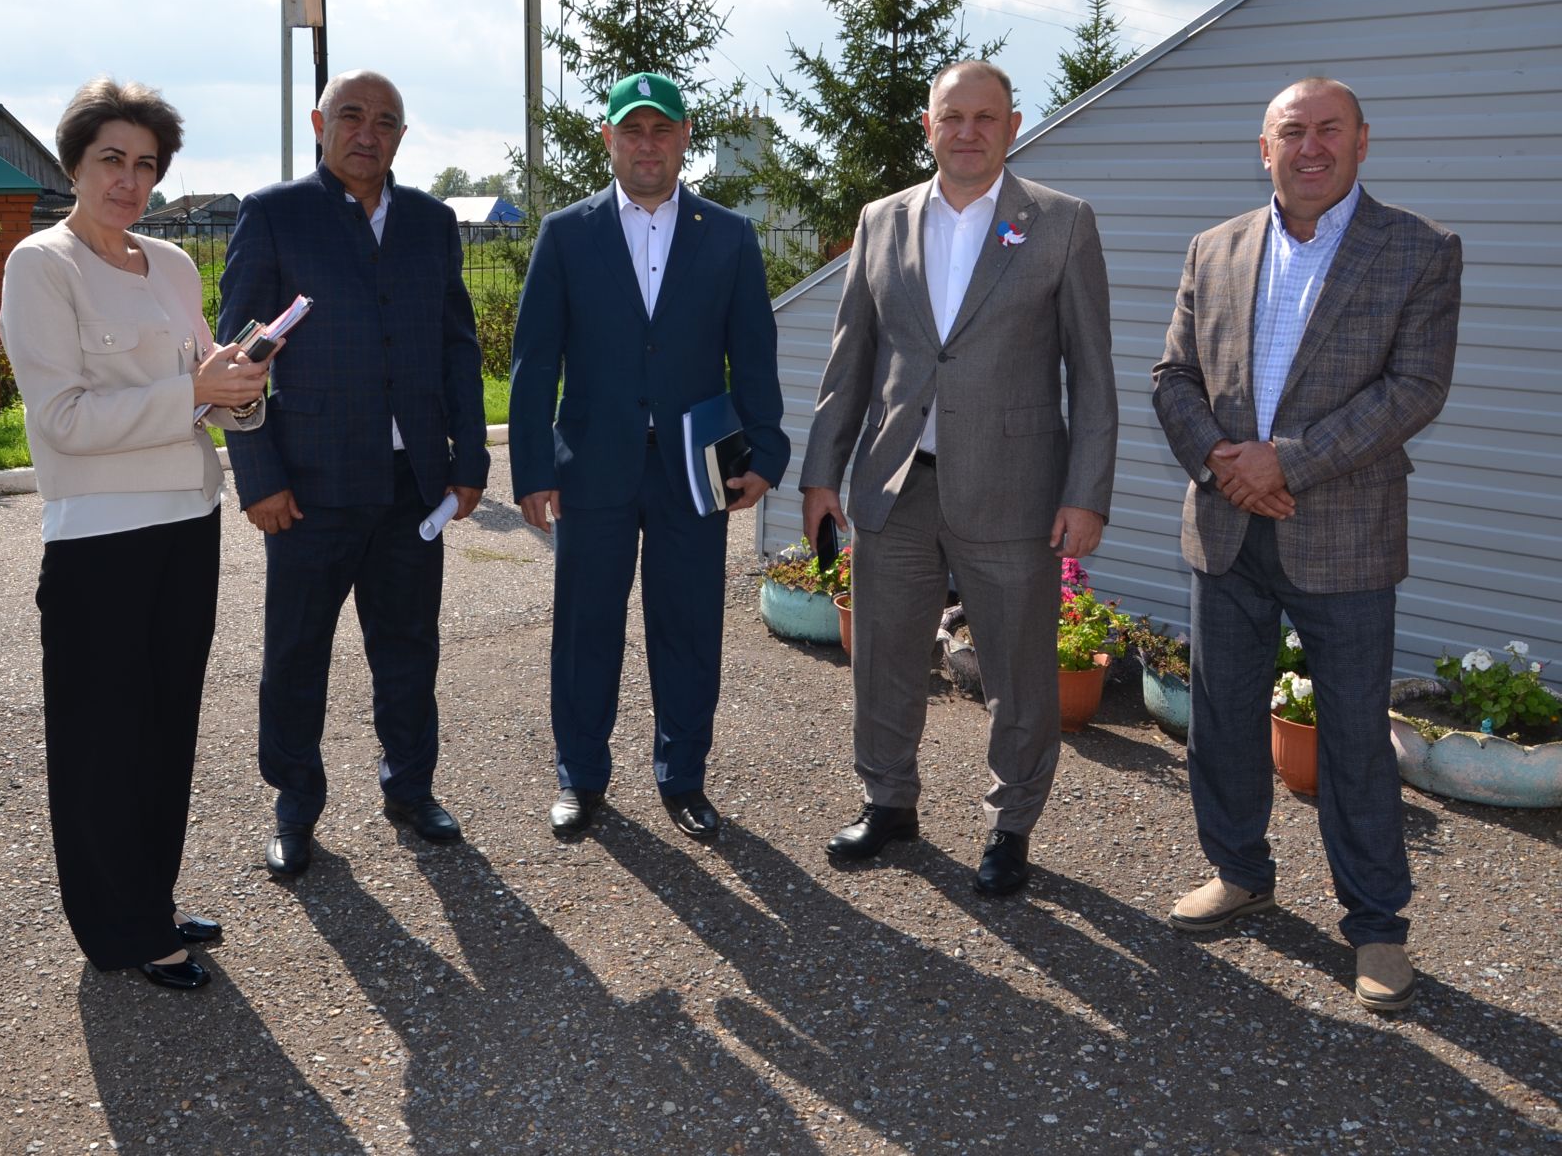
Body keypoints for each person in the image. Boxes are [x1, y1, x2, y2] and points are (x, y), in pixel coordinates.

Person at [1153, 77, 1460, 1012]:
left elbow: (1415, 389)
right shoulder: (1215, 248)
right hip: (1225, 528)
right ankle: (1239, 870)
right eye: (1294, 131)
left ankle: (1376, 928)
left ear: (1364, 141)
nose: (1311, 146)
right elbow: (1172, 376)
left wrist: (1284, 463)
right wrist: (1220, 462)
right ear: (1265, 147)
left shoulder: (1418, 249)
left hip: (1348, 539)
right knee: (1221, 719)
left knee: (1357, 740)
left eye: (1330, 130)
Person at [799, 60, 1117, 894]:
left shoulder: (1061, 224)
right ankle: (889, 803)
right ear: (928, 126)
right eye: (952, 116)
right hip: (895, 483)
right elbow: (850, 362)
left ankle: (1011, 826)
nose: (967, 131)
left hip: (1016, 491)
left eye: (985, 117)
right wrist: (820, 474)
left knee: (1017, 672)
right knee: (885, 658)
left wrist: (1085, 493)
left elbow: (1092, 376)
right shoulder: (881, 221)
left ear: (1013, 126)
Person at [0, 79, 271, 990]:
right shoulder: (43, 264)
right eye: (110, 159)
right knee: (100, 741)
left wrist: (241, 384)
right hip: (100, 543)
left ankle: (149, 900)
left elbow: (205, 386)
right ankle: (114, 931)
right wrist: (196, 394)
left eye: (145, 164)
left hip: (186, 524)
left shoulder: (172, 265)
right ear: (74, 162)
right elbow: (65, 421)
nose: (128, 179)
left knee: (166, 730)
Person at [218, 69, 488, 881]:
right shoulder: (273, 216)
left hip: (414, 488)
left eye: (386, 121)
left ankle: (410, 788)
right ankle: (295, 807)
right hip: (307, 488)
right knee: (296, 657)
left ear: (402, 137)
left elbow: (456, 349)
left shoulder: (434, 223)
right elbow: (240, 359)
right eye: (351, 116)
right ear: (319, 122)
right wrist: (258, 478)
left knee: (409, 650)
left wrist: (468, 462)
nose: (367, 132)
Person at [510, 72, 788, 841]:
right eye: (631, 130)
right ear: (607, 139)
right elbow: (535, 362)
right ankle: (580, 777)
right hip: (592, 468)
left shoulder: (728, 236)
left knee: (689, 626)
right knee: (585, 627)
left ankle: (683, 777)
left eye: (661, 130)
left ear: (685, 136)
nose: (646, 145)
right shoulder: (566, 234)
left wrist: (766, 450)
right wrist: (532, 471)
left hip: (695, 473)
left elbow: (753, 356)